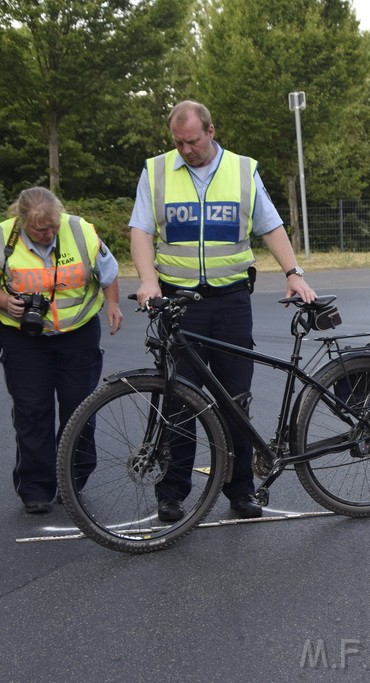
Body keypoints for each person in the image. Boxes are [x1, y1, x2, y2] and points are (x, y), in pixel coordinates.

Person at [128, 99, 316, 522]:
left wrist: (293, 272)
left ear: (211, 132)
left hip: (231, 302)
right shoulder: (157, 171)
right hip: (178, 302)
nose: (185, 149)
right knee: (178, 400)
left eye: (192, 141)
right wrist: (148, 280)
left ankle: (241, 490)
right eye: (178, 142)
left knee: (235, 400)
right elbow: (140, 228)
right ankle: (173, 491)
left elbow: (270, 225)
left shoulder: (242, 170)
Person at [0, 187, 123, 514]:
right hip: (24, 338)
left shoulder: (79, 230)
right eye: (40, 229)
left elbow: (108, 273)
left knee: (79, 411)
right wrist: (4, 301)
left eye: (53, 225)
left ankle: (73, 482)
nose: (49, 232)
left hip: (78, 335)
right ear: (22, 221)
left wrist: (113, 305)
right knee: (32, 412)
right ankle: (36, 488)